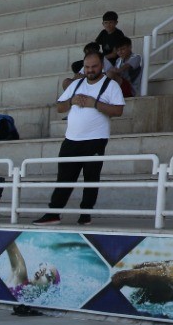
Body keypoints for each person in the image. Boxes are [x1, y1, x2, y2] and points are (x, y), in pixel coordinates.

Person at [34, 51, 125, 226]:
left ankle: (85, 214)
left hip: (96, 139)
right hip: (71, 139)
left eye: (94, 66)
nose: (90, 70)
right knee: (64, 178)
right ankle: (54, 213)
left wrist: (95, 104)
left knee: (91, 178)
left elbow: (118, 111)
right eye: (87, 67)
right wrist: (72, 101)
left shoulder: (111, 85)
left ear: (102, 66)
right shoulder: (76, 84)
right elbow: (60, 107)